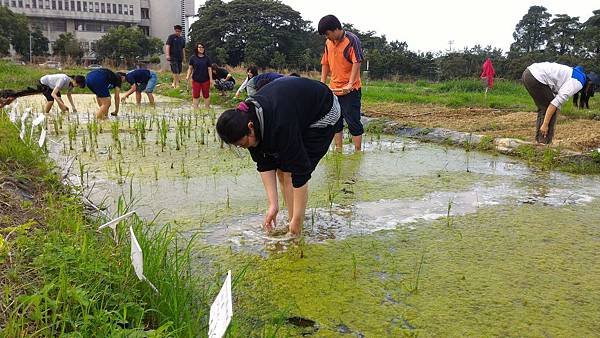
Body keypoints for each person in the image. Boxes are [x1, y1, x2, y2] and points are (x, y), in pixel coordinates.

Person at [216, 77, 340, 236]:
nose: (242, 147)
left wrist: (297, 219)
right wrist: (273, 205)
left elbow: (301, 172)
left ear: (250, 127)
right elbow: (264, 162)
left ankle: (296, 225)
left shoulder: (280, 123)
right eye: (238, 145)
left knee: (290, 171)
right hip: (296, 110)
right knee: (283, 172)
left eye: (242, 143)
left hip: (324, 112)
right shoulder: (247, 118)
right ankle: (292, 220)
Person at [318, 14, 364, 152]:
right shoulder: (328, 43)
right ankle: (338, 150)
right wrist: (322, 82)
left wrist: (350, 84)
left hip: (350, 90)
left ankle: (357, 151)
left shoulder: (352, 40)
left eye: (328, 33)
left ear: (336, 29)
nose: (327, 37)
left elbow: (357, 62)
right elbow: (325, 63)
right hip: (334, 90)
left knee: (353, 121)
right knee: (335, 122)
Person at [522, 62, 588, 144]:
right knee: (548, 110)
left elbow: (556, 98)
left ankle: (539, 142)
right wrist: (545, 124)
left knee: (545, 108)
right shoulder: (577, 82)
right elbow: (554, 103)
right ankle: (543, 143)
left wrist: (556, 108)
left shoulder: (570, 73)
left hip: (529, 72)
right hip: (536, 76)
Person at [185, 42, 213, 109]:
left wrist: (211, 79)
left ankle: (207, 108)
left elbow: (209, 69)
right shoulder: (193, 58)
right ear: (196, 48)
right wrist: (187, 76)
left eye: (202, 47)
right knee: (196, 95)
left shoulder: (207, 58)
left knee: (206, 95)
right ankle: (195, 109)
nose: (201, 49)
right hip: (196, 80)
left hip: (205, 79)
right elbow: (190, 68)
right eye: (199, 47)